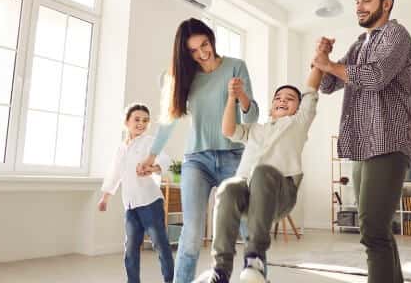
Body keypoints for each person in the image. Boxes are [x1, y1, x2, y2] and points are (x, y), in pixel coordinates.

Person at [313, 0, 411, 283]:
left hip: (389, 140)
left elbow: (375, 77)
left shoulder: (397, 34)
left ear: (386, 4)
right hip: (362, 144)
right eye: (356, 1)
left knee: (372, 230)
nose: (358, 7)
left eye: (366, 0)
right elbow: (329, 84)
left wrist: (329, 65)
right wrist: (323, 59)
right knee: (377, 229)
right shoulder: (361, 43)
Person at [139, 17, 259, 283]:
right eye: (193, 51)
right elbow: (168, 122)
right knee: (191, 233)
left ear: (211, 39)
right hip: (197, 160)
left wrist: (241, 97)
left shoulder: (235, 67)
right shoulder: (182, 77)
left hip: (233, 156)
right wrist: (150, 156)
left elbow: (251, 119)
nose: (202, 53)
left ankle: (259, 278)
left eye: (204, 44)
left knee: (248, 227)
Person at [195, 61, 324, 283]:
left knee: (263, 171)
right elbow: (228, 130)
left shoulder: (299, 122)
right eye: (278, 98)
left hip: (280, 193)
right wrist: (231, 98)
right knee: (228, 187)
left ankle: (255, 259)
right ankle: (220, 270)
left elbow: (311, 91)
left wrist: (320, 63)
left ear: (298, 107)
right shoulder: (255, 130)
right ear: (271, 107)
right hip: (248, 193)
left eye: (290, 99)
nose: (283, 100)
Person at [98, 103, 175, 283]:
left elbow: (165, 159)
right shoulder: (121, 148)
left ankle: (171, 280)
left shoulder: (149, 141)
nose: (141, 123)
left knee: (161, 245)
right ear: (127, 122)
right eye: (137, 119)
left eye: (145, 120)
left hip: (150, 202)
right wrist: (105, 198)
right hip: (131, 206)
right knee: (131, 247)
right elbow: (114, 173)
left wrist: (154, 167)